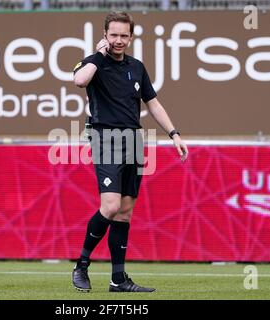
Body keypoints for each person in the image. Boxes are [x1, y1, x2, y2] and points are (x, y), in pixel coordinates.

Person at [72, 11, 188, 292]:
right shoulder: (93, 62)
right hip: (105, 138)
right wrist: (99, 55)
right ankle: (82, 265)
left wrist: (174, 134)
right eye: (113, 35)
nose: (119, 40)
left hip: (134, 141)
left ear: (131, 37)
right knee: (110, 206)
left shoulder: (136, 67)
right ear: (105, 35)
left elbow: (154, 104)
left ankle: (118, 279)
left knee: (124, 212)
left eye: (124, 35)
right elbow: (79, 81)